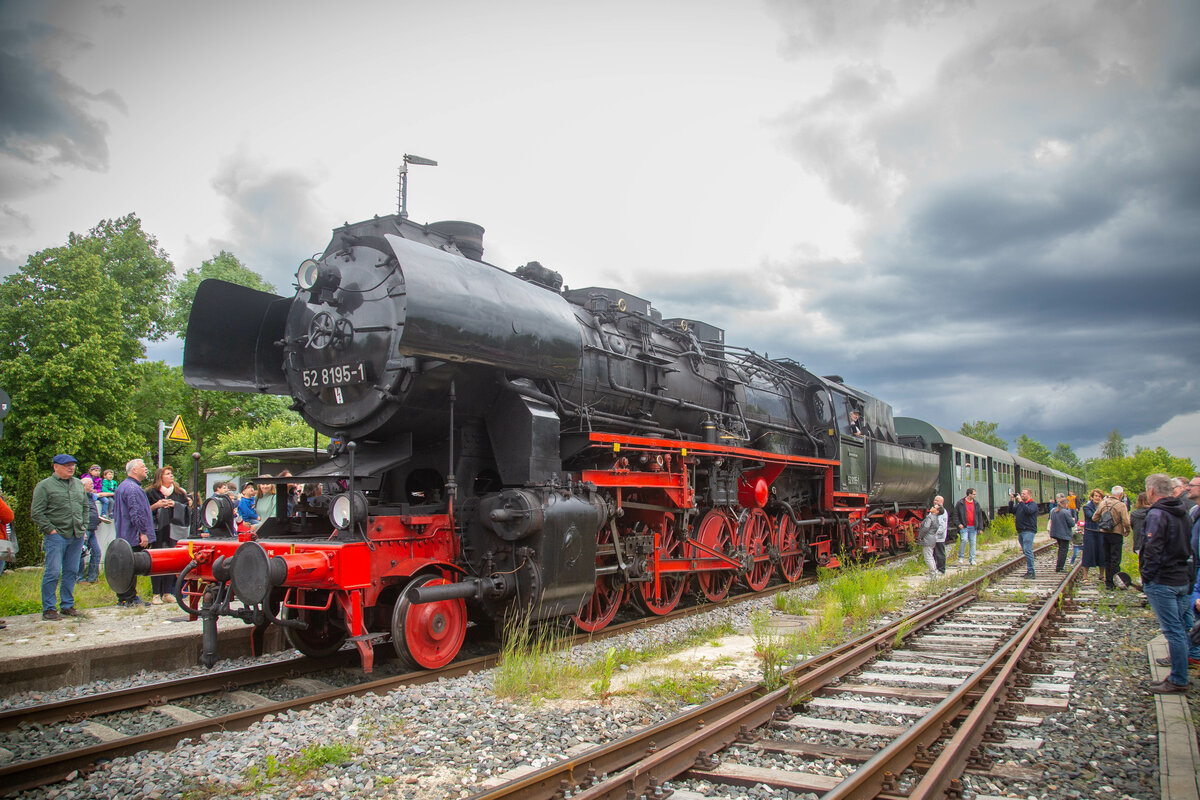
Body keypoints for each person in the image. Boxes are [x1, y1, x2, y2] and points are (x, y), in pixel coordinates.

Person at [1140, 473, 1194, 693]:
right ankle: (1181, 672)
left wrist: (1147, 576)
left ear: (1151, 491)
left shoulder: (1157, 514)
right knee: (1181, 628)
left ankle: (1179, 679)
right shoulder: (1185, 512)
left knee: (1173, 631)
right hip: (1182, 576)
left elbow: (1152, 548)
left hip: (1163, 580)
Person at [30, 454, 89, 620]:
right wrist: (50, 530)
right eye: (66, 465)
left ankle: (67, 605)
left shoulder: (78, 484)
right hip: (57, 535)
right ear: (55, 467)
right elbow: (36, 512)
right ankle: (49, 608)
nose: (71, 468)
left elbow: (85, 507)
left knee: (71, 571)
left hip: (76, 534)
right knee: (53, 572)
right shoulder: (45, 486)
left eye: (73, 465)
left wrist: (83, 526)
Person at [112, 458, 155, 607]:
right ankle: (129, 598)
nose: (146, 469)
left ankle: (125, 597)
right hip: (132, 534)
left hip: (124, 534)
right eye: (143, 466)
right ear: (134, 470)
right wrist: (143, 532)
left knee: (125, 566)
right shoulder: (132, 488)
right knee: (130, 566)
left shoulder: (123, 486)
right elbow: (136, 512)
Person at [145, 466, 188, 604]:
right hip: (158, 530)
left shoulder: (179, 493)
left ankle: (167, 592)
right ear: (160, 477)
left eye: (171, 473)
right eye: (168, 474)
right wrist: (157, 506)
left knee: (171, 560)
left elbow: (187, 509)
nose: (171, 476)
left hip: (174, 530)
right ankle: (156, 593)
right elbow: (144, 511)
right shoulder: (151, 492)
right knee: (157, 560)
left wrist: (175, 504)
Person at [1092, 486, 1132, 589]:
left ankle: (1108, 582)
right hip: (1116, 534)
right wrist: (1127, 530)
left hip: (1104, 533)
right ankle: (1116, 581)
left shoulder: (1103, 503)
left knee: (1107, 558)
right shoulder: (1121, 505)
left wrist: (1103, 523)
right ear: (1121, 494)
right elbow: (1126, 521)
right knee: (1115, 559)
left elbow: (1094, 517)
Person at [954, 488, 988, 566]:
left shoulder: (976, 504)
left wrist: (980, 528)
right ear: (969, 494)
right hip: (964, 526)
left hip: (973, 527)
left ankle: (972, 559)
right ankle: (961, 557)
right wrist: (959, 524)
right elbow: (955, 514)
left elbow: (979, 516)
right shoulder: (960, 503)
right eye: (974, 494)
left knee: (973, 543)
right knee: (964, 540)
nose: (975, 495)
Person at [77, 476, 102, 584]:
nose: (93, 485)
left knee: (97, 553)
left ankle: (92, 577)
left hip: (92, 529)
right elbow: (78, 514)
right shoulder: (79, 497)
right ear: (83, 486)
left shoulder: (91, 496)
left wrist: (98, 519)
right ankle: (79, 578)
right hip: (85, 530)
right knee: (80, 553)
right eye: (90, 484)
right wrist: (82, 530)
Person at [1009, 488, 1038, 578]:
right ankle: (1029, 570)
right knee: (1026, 551)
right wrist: (1011, 501)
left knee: (1028, 550)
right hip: (1021, 531)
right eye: (1021, 494)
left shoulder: (1033, 504)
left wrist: (1021, 502)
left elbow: (1028, 511)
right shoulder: (1021, 505)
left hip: (1029, 530)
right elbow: (1011, 511)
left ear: (1029, 494)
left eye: (1024, 494)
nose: (1022, 495)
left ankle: (1031, 571)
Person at [1080, 488, 1105, 584]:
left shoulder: (1103, 507)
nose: (1097, 498)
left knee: (1102, 553)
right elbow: (1093, 517)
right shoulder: (1087, 507)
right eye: (1096, 496)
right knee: (1088, 553)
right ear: (1092, 497)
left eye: (1099, 496)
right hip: (1090, 532)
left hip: (1101, 532)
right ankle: (1085, 576)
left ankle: (1101, 575)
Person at [1048, 494, 1077, 572]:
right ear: (1065, 504)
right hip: (1064, 534)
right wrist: (1073, 520)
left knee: (1061, 549)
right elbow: (1071, 524)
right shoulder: (1066, 512)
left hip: (1056, 533)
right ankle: (1060, 567)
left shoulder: (1053, 511)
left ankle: (1059, 566)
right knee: (1063, 551)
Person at [918, 503, 941, 579]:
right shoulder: (936, 519)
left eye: (934, 507)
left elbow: (925, 528)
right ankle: (934, 572)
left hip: (927, 538)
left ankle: (933, 574)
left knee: (928, 557)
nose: (932, 507)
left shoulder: (930, 518)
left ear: (937, 511)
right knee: (930, 556)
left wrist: (920, 536)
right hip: (932, 538)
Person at [932, 494, 949, 573]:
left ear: (941, 502)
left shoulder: (943, 512)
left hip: (939, 537)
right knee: (934, 554)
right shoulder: (933, 511)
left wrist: (936, 533)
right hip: (933, 536)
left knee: (940, 553)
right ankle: (935, 569)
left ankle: (941, 569)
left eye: (937, 500)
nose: (935, 502)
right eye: (935, 500)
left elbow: (943, 525)